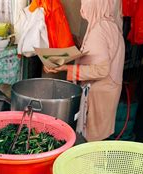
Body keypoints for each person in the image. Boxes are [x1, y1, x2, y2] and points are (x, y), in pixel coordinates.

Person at [44, 0, 125, 141]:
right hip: (109, 91)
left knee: (90, 139)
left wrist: (65, 68)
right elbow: (101, 53)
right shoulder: (111, 24)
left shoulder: (99, 29)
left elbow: (101, 70)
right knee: (100, 136)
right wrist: (80, 44)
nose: (83, 6)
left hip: (98, 94)